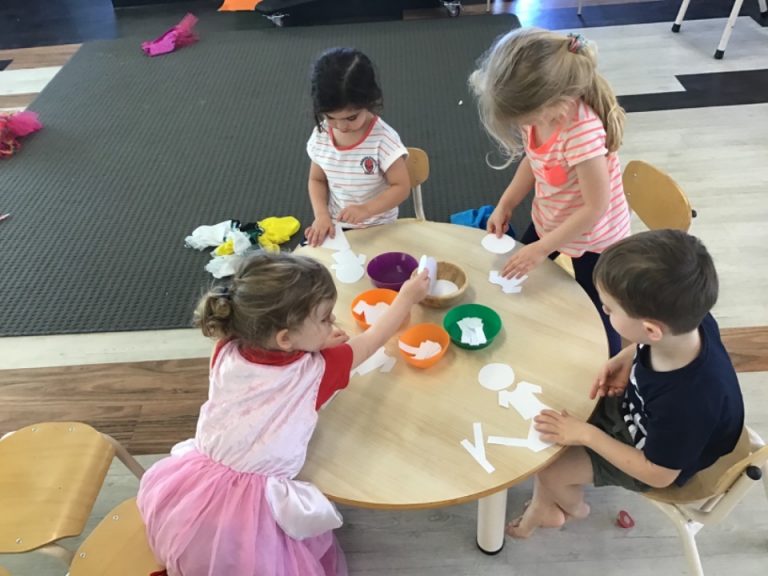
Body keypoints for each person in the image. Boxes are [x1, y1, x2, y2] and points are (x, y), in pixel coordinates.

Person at [137, 251, 430, 575]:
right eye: (324, 319)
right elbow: (373, 340)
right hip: (252, 511)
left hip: (191, 491)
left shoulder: (227, 347)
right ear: (285, 338)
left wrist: (315, 340)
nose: (333, 323)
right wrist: (406, 298)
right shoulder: (318, 371)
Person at [505, 230, 745, 539]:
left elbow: (658, 474)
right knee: (556, 406)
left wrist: (587, 435)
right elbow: (648, 344)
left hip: (654, 458)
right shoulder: (688, 323)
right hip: (640, 416)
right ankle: (545, 504)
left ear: (649, 329)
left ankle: (572, 509)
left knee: (550, 467)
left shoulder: (686, 404)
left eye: (610, 309)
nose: (604, 311)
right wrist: (627, 356)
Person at [469, 28, 631, 356]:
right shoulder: (541, 114)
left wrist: (541, 249)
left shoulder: (581, 133)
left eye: (522, 118)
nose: (521, 126)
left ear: (551, 104)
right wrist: (506, 203)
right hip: (552, 220)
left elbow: (595, 208)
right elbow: (534, 159)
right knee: (513, 271)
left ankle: (609, 371)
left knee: (600, 310)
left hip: (594, 238)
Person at [305, 47, 410, 247]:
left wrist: (366, 210)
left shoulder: (384, 140)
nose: (342, 127)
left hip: (380, 226)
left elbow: (401, 187)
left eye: (351, 118)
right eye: (330, 117)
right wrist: (321, 215)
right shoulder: (322, 133)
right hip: (337, 226)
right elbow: (316, 179)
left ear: (369, 101)